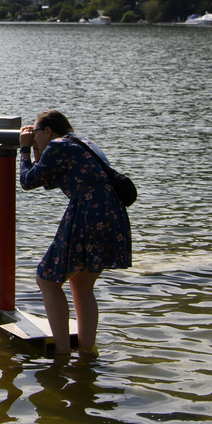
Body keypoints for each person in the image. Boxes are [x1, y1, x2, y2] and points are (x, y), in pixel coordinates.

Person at [19, 110, 131, 358]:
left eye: (36, 132)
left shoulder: (58, 146)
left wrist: (24, 149)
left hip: (87, 214)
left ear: (48, 131)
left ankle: (62, 353)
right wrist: (37, 148)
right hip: (112, 214)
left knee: (47, 280)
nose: (34, 137)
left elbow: (27, 181)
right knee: (81, 285)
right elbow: (47, 181)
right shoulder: (82, 143)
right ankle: (87, 352)